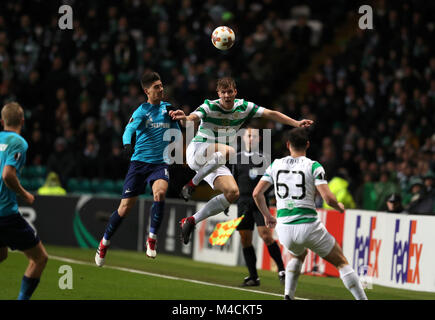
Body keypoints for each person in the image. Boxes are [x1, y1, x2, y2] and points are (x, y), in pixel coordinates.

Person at [169, 77, 313, 244]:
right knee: (230, 150)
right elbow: (193, 117)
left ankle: (191, 221)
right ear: (218, 94)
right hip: (198, 151)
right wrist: (184, 118)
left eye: (230, 92)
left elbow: (270, 113)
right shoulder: (210, 106)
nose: (227, 96)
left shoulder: (244, 107)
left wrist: (295, 123)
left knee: (232, 193)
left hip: (215, 160)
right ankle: (192, 184)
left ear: (235, 92)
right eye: (223, 92)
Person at [252, 128, 367, 300]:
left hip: (284, 228)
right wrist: (339, 206)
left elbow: (256, 194)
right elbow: (328, 198)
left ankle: (288, 296)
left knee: (298, 255)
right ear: (307, 144)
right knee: (341, 262)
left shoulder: (275, 164)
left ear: (288, 145)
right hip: (308, 225)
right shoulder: (313, 165)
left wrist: (267, 216)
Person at [95, 71, 180, 266]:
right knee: (124, 209)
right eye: (156, 87)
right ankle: (104, 242)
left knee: (159, 194)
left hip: (160, 163)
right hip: (139, 164)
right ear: (146, 91)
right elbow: (128, 130)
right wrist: (126, 145)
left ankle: (151, 238)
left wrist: (179, 130)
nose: (161, 89)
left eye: (161, 85)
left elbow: (176, 130)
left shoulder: (169, 109)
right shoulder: (142, 111)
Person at [0, 102, 49, 300]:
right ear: (22, 120)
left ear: (2, 121)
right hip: (5, 214)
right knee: (39, 258)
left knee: (2, 255)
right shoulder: (18, 142)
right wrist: (24, 193)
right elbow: (7, 175)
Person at [232, 127, 285, 286]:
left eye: (254, 136)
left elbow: (272, 182)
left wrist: (272, 197)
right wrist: (228, 200)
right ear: (243, 138)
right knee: (245, 239)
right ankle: (253, 276)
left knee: (266, 236)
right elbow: (232, 180)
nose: (251, 139)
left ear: (259, 139)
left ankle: (282, 270)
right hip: (242, 202)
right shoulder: (236, 158)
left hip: (259, 202)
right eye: (248, 136)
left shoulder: (264, 158)